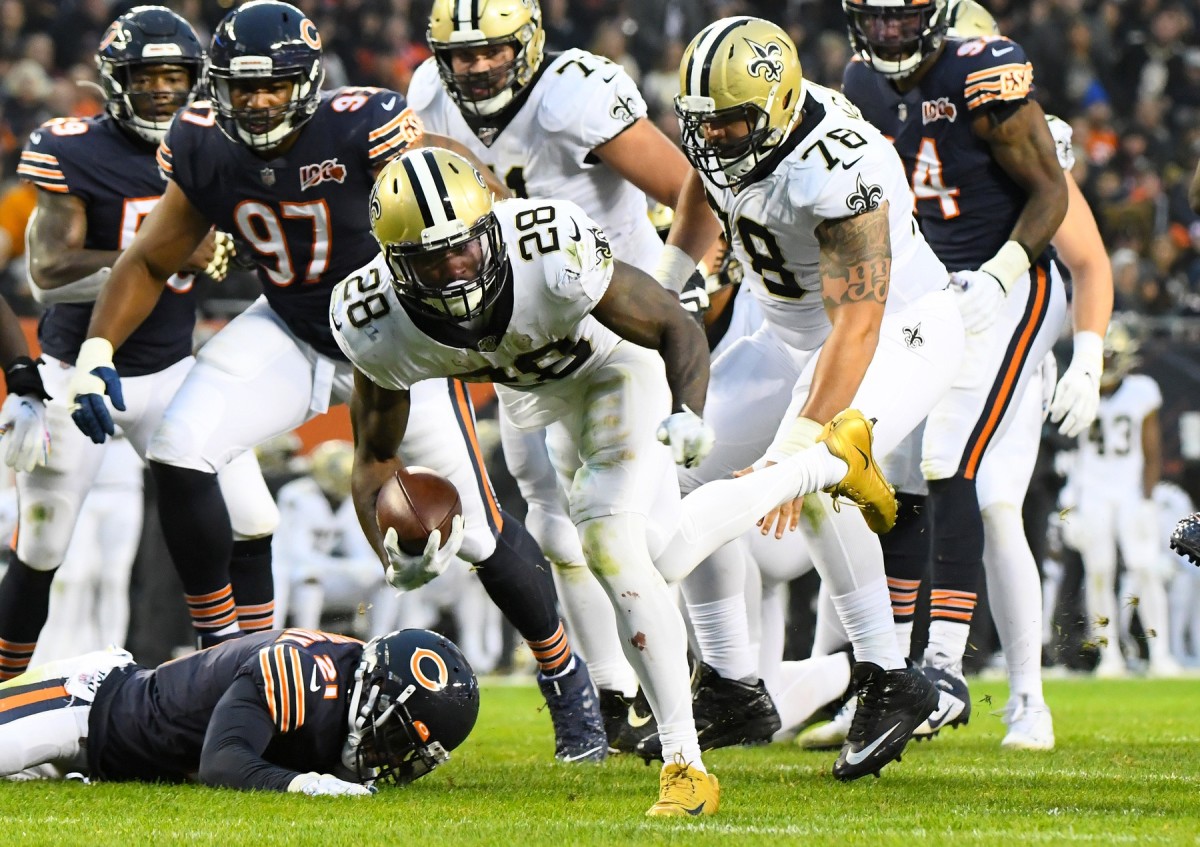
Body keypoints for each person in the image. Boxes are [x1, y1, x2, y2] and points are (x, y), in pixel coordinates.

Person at [63, 1, 605, 763]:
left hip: (394, 337)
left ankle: (567, 682)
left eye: (274, 87)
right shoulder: (201, 145)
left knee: (478, 531)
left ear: (309, 83)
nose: (256, 103)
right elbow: (152, 258)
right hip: (292, 326)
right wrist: (95, 354)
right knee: (179, 448)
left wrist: (498, 219)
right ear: (219, 88)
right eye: (242, 89)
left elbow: (450, 173)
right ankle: (230, 655)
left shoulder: (362, 125)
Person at [332, 136, 906, 810]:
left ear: (489, 225)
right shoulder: (374, 320)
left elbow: (672, 323)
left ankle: (685, 766)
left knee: (610, 544)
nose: (456, 267)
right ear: (395, 266)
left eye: (464, 244)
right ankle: (825, 463)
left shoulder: (548, 248)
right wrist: (392, 553)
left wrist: (689, 410)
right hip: (538, 399)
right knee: (659, 554)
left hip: (613, 367)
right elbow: (375, 459)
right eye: (431, 260)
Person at [657, 16, 971, 778]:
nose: (720, 137)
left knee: (822, 469)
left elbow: (859, 320)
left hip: (900, 326)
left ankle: (890, 675)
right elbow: (704, 182)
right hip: (785, 331)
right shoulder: (735, 132)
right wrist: (666, 289)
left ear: (781, 102)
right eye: (706, 124)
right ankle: (733, 683)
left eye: (733, 122)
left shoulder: (837, 161)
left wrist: (801, 438)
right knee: (679, 470)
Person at [408, 0, 705, 750]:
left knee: (651, 539)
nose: (474, 67)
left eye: (491, 51)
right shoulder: (426, 96)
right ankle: (613, 695)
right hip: (520, 331)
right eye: (461, 54)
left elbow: (691, 187)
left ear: (529, 43)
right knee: (552, 521)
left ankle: (720, 677)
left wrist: (673, 278)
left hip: (616, 323)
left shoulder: (574, 94)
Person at [841, 0, 1103, 732]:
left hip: (1008, 287)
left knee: (965, 472)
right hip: (928, 296)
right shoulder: (860, 86)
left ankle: (951, 670)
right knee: (891, 471)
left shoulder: (988, 81)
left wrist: (1086, 350)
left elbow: (1075, 237)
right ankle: (891, 670)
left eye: (904, 19)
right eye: (876, 18)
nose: (889, 33)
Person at [0, 6, 279, 679]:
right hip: (78, 371)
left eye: (174, 75)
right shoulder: (73, 148)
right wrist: (163, 253)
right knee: (42, 549)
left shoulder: (214, 143)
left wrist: (235, 250)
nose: (160, 88)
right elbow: (46, 273)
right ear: (114, 79)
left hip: (175, 370)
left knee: (254, 517)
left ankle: (251, 679)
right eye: (146, 75)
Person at [0, 627, 479, 793]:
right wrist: (305, 783)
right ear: (375, 692)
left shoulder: (355, 680)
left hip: (109, 759)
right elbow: (223, 760)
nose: (390, 758)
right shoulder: (300, 670)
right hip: (84, 705)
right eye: (396, 737)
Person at [1061, 323, 1179, 678]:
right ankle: (1109, 654)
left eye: (1112, 352)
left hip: (1129, 491)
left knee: (1145, 569)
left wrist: (1146, 497)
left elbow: (1151, 449)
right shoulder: (1081, 388)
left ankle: (1161, 653)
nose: (1108, 359)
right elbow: (1073, 451)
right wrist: (1072, 501)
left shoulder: (1141, 390)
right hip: (1093, 491)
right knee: (1098, 572)